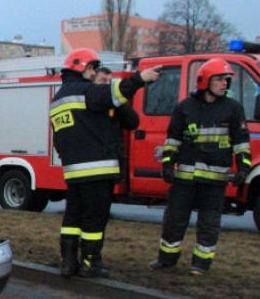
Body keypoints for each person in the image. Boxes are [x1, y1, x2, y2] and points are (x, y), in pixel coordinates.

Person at [51, 48, 161, 278]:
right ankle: (90, 264)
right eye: (91, 68)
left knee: (72, 217)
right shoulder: (87, 92)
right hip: (98, 169)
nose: (93, 74)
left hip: (73, 172)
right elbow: (118, 92)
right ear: (81, 68)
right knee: (95, 218)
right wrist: (141, 78)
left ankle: (68, 262)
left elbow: (58, 139)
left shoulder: (58, 98)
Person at [148, 58, 252, 275]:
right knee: (174, 220)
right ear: (205, 81)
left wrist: (244, 169)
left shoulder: (233, 109)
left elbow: (241, 143)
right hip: (185, 179)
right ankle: (166, 260)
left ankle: (201, 264)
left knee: (209, 224)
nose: (224, 83)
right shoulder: (184, 108)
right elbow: (173, 139)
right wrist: (167, 164)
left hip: (215, 181)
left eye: (226, 79)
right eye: (220, 79)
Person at [94, 65, 140, 182]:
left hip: (112, 163)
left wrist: (119, 103)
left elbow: (133, 122)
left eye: (109, 81)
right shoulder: (88, 102)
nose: (107, 84)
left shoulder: (116, 104)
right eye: (103, 80)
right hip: (93, 164)